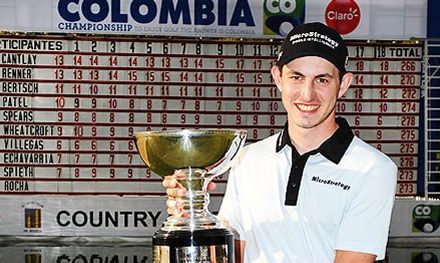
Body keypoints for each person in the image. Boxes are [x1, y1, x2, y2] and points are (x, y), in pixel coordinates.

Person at [164, 22, 397, 263]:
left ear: (343, 85)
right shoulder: (247, 159)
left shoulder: (373, 169)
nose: (307, 94)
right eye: (296, 77)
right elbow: (233, 256)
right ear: (278, 78)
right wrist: (192, 216)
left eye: (322, 80)